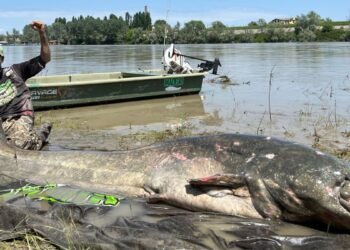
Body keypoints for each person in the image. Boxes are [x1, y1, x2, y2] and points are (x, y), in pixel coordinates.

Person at [0, 20, 51, 150]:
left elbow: (45, 58)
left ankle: (41, 136)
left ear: (1, 59)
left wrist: (42, 33)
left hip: (20, 116)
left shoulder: (16, 71)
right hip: (2, 122)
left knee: (18, 145)